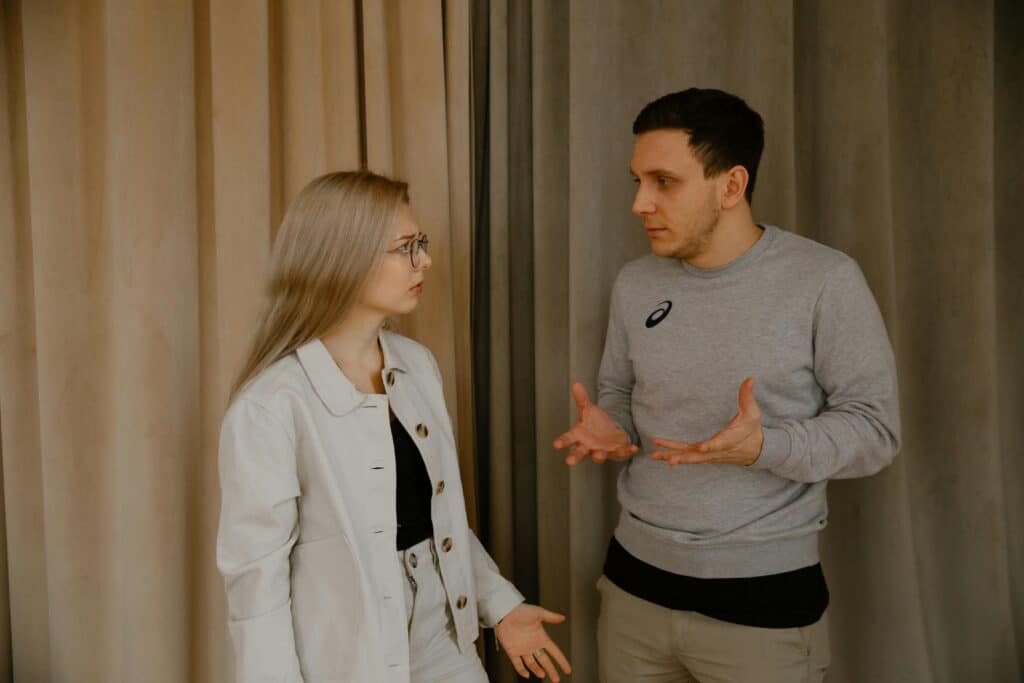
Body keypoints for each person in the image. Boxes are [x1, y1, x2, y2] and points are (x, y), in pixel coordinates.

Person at [553, 88, 901, 682]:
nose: (640, 203)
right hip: (634, 590)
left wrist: (766, 447)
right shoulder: (635, 282)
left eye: (664, 181)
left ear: (732, 186)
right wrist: (612, 422)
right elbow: (619, 390)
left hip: (760, 608)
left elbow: (875, 430)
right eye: (637, 180)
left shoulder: (825, 280)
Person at [217, 171, 572, 682]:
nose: (424, 260)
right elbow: (256, 584)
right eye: (405, 247)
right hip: (345, 659)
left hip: (445, 636)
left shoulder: (417, 365)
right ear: (344, 259)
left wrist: (501, 606)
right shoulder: (271, 407)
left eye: (420, 243)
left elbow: (440, 520)